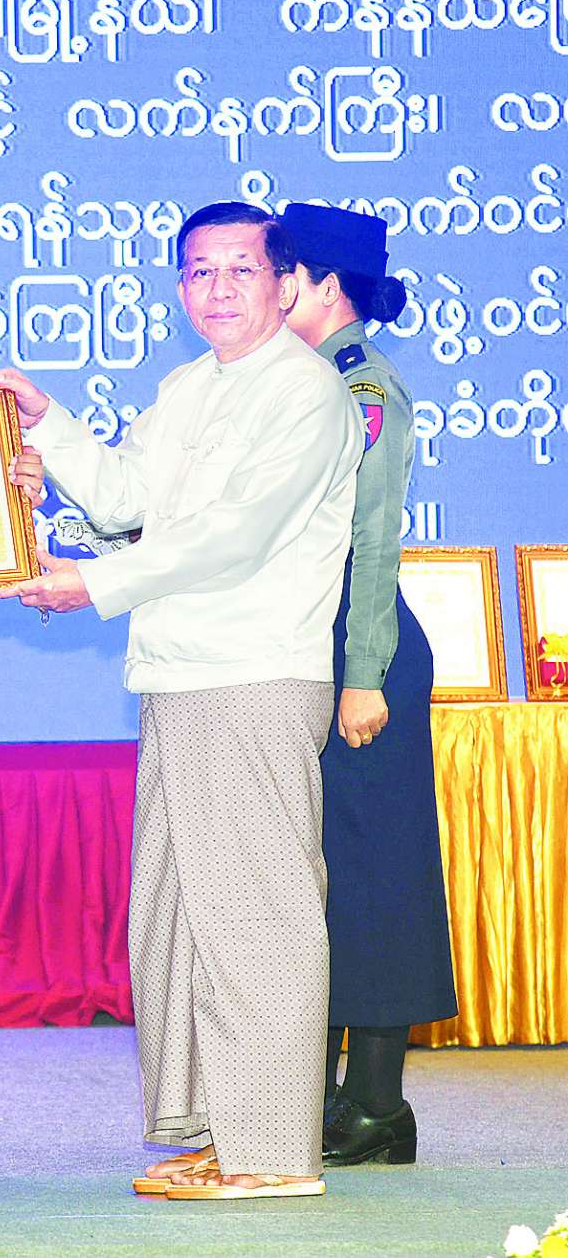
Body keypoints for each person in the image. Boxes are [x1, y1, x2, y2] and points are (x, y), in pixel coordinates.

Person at [0, 201, 364, 1200]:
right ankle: (223, 1131)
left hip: (251, 674)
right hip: (179, 675)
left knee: (257, 916)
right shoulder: (189, 386)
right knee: (184, 917)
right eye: (199, 271)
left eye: (241, 269)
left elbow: (235, 537)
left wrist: (92, 585)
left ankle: (272, 1152)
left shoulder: (306, 393)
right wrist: (45, 422)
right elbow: (121, 497)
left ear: (285, 283)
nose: (218, 289)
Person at [280, 202, 457, 1165]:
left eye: (280, 272)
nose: (262, 288)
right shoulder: (293, 382)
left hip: (363, 646)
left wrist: (362, 675)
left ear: (323, 284)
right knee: (323, 873)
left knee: (376, 875)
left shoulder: (361, 387)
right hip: (310, 639)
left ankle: (378, 1105)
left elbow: (373, 539)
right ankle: (318, 1096)